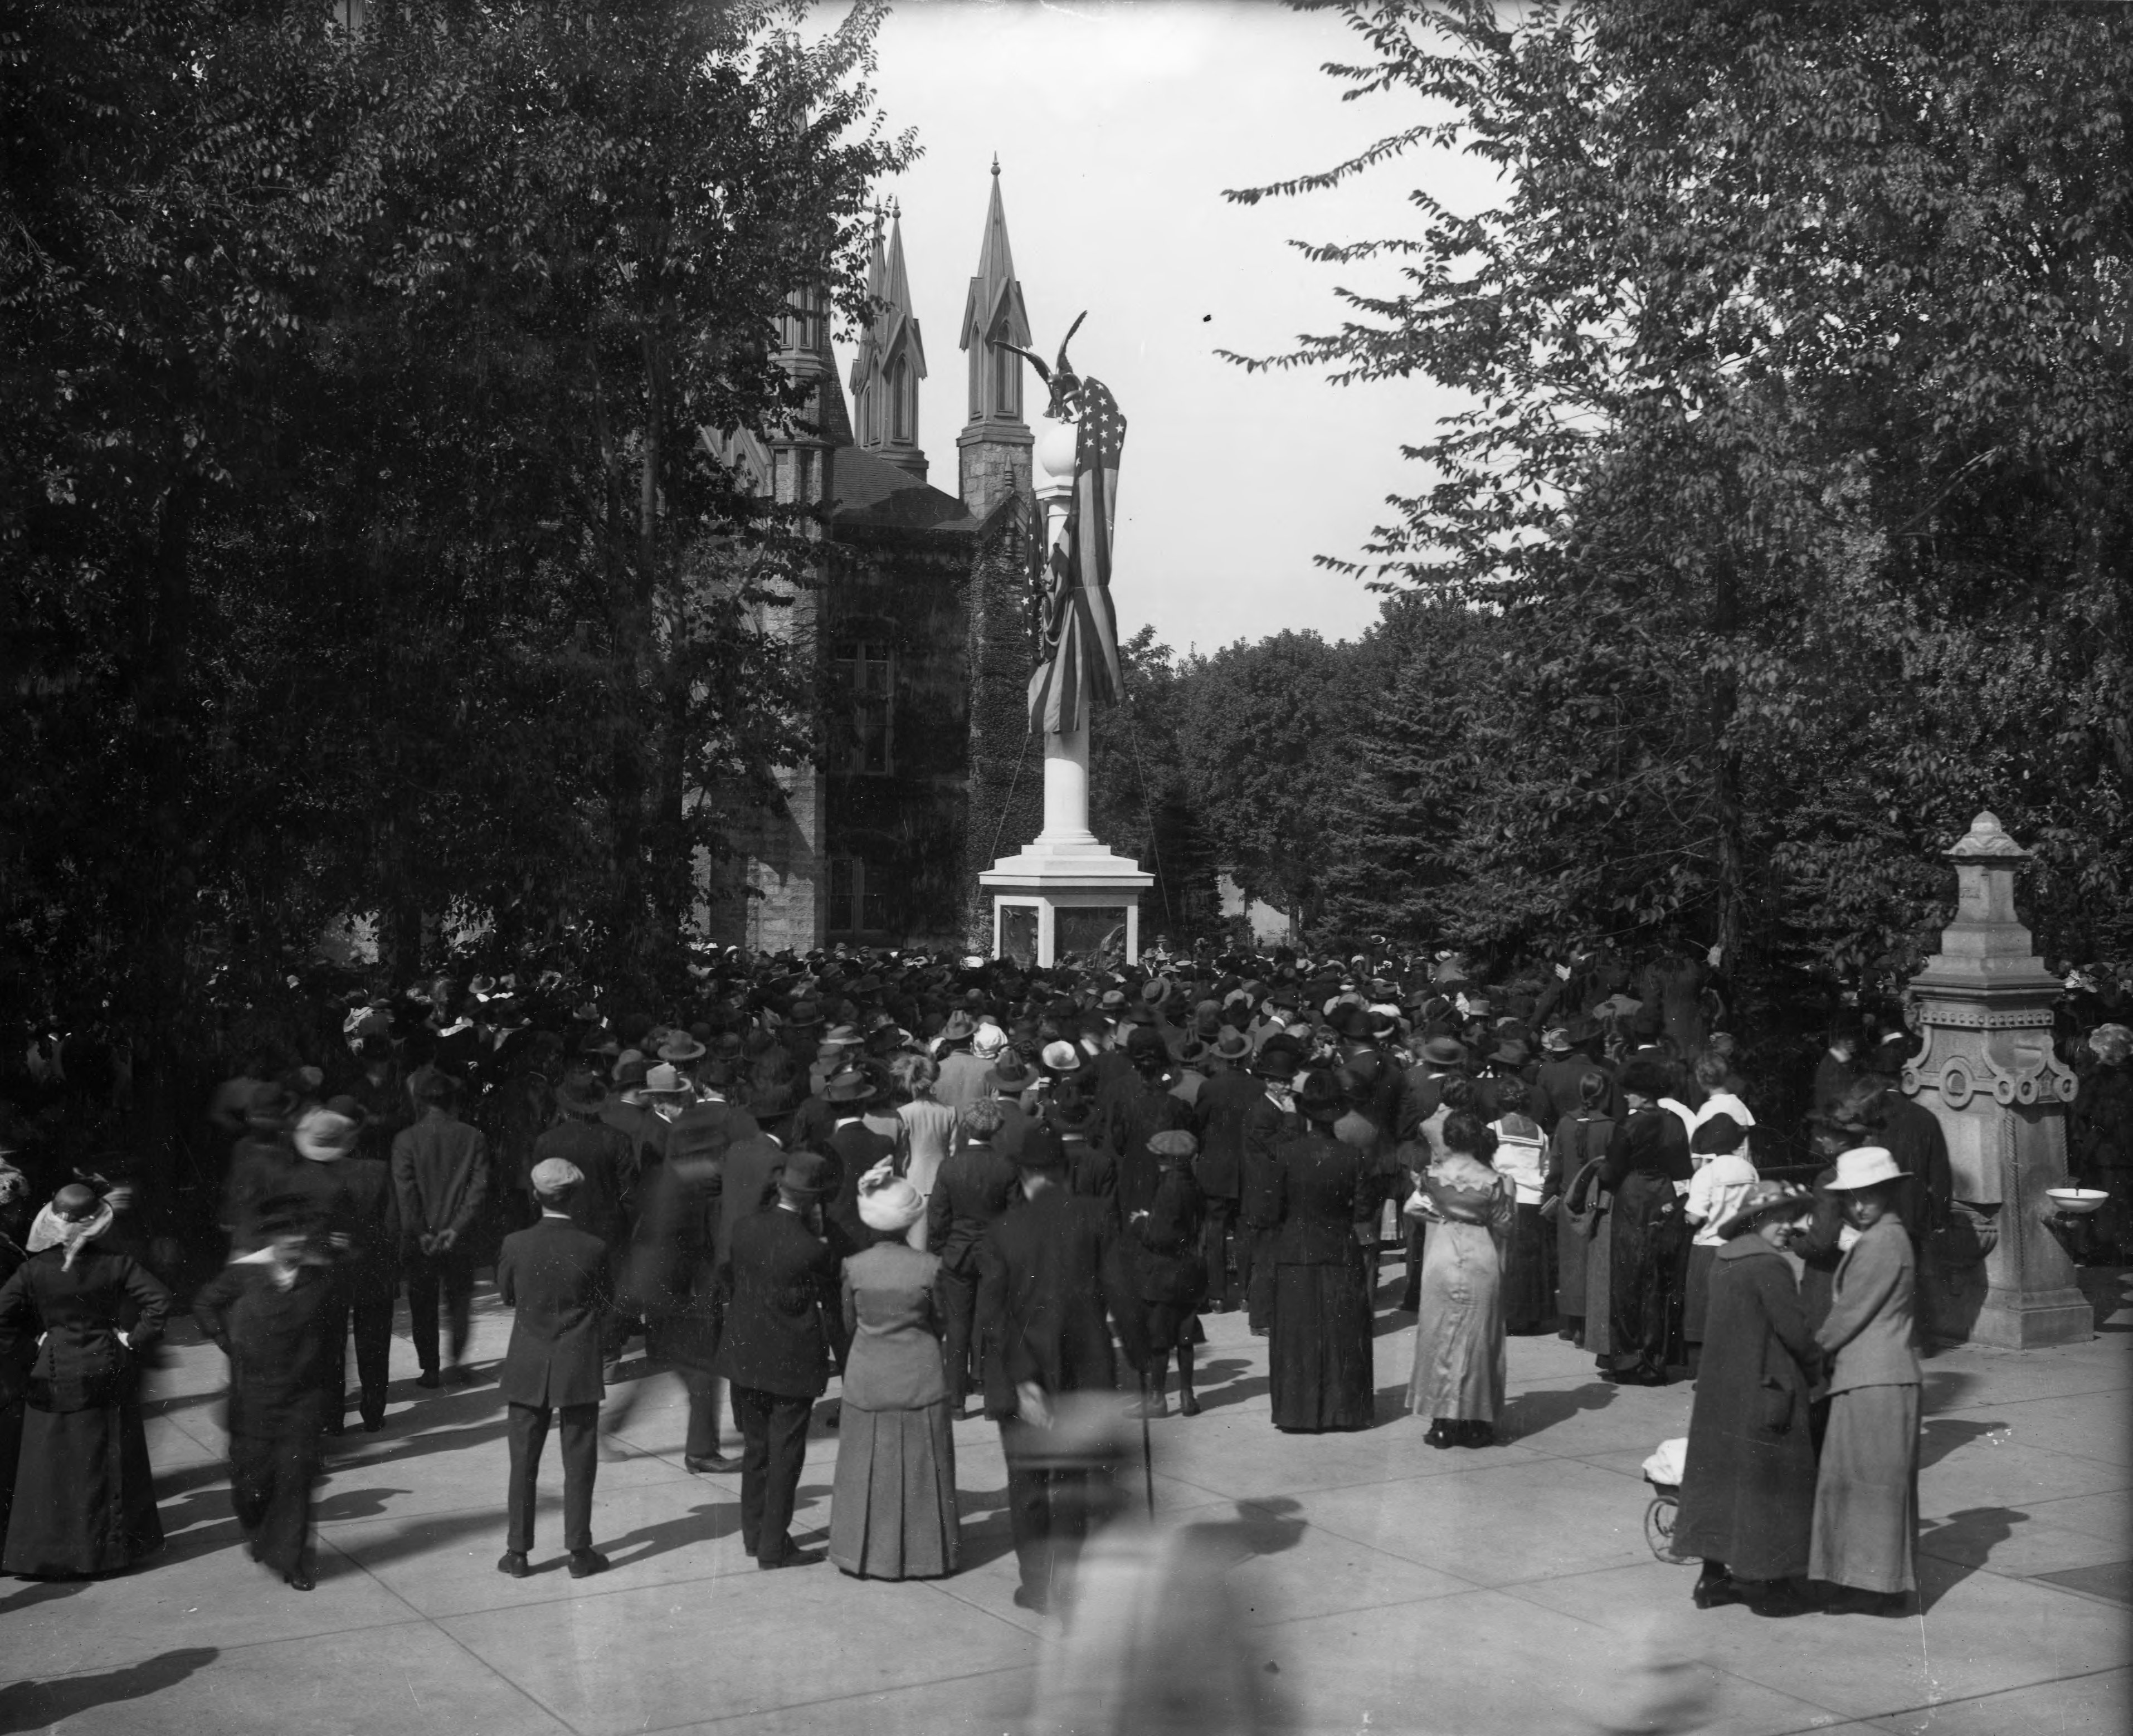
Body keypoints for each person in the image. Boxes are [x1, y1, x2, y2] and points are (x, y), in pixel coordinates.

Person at [976, 1123, 1148, 1614]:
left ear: (1023, 1174)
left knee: (1028, 1486)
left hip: (1022, 1374)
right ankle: (1070, 1589)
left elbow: (992, 1318)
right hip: (1083, 1370)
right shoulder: (1095, 1216)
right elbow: (1123, 1293)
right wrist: (1140, 1356)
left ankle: (1036, 1587)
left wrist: (1025, 1381)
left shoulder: (1001, 1229)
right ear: (1064, 1170)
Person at [0, 1183, 171, 1577]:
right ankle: (104, 1553)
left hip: (53, 1373)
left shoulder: (32, 1269)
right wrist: (134, 1339)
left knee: (51, 1468)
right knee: (102, 1463)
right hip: (106, 1367)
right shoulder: (118, 1264)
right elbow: (159, 1302)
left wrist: (31, 1349)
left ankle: (49, 1555)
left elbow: (3, 1317)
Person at [1673, 1181, 1818, 1618]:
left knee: (1722, 1483)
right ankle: (1772, 1585)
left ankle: (1713, 1579)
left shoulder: (1724, 1261)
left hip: (1723, 1391)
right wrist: (1818, 1368)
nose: (1787, 1228)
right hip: (1768, 1388)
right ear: (1756, 1221)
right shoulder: (1769, 1267)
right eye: (1779, 1219)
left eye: (1790, 1218)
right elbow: (1794, 1332)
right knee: (1771, 1486)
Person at [193, 1202, 340, 1591]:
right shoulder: (244, 1276)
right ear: (272, 1241)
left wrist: (330, 1400)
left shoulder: (320, 1279)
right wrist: (228, 1344)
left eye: (301, 1238)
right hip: (254, 1397)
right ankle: (259, 1535)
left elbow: (334, 1345)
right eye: (287, 1238)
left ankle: (293, 1562)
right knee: (251, 1483)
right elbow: (205, 1303)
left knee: (296, 1480)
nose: (295, 1244)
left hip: (302, 1399)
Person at [828, 1169, 958, 1579]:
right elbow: (942, 1320)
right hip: (920, 1373)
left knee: (863, 1467)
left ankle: (860, 1553)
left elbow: (848, 1323)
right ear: (909, 1221)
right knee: (925, 1467)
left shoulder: (853, 1267)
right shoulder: (931, 1267)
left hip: (868, 1375)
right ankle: (928, 1555)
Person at [1809, 1146, 1922, 1616]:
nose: (1859, 1205)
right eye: (1853, 1197)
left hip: (1875, 1376)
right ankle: (1872, 1582)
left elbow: (1851, 1311)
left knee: (1869, 1485)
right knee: (1869, 1484)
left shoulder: (1882, 1241)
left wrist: (1813, 1348)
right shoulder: (1885, 1236)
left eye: (1869, 1196)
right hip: (1875, 1374)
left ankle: (1875, 1586)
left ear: (1889, 1193)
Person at [717, 1149, 843, 1569]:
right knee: (785, 1453)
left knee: (756, 1449)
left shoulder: (744, 1228)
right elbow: (830, 1295)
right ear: (812, 1200)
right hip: (791, 1359)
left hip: (747, 1353)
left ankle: (755, 1535)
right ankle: (774, 1544)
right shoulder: (813, 1248)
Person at [495, 1157, 611, 1579]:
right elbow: (604, 1300)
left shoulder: (515, 1243)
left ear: (535, 1194)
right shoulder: (593, 1247)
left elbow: (507, 1293)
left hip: (528, 1361)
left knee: (523, 1462)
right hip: (577, 1362)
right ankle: (580, 1551)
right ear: (574, 1196)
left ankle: (518, 1552)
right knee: (579, 1460)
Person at [1267, 1072, 1376, 1434]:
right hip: (1339, 1249)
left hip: (1296, 1250)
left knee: (1298, 1336)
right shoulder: (1352, 1157)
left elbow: (1271, 1209)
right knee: (1342, 1334)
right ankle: (1344, 1411)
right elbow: (1363, 1210)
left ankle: (1297, 1412)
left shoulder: (1285, 1154)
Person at [1406, 1110, 1513, 1447]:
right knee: (1481, 1338)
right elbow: (1506, 1224)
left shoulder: (1432, 1175)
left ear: (1449, 1140)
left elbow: (1413, 1208)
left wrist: (1442, 1216)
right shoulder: (1496, 1181)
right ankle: (1475, 1423)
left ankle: (1441, 1423)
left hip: (1443, 1251)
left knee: (1440, 1335)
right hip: (1481, 1252)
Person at [392, 1066, 489, 1387]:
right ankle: (457, 1361)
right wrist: (457, 1227)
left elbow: (406, 1192)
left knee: (423, 1304)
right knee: (459, 1302)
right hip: (459, 1237)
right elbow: (478, 1188)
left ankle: (430, 1369)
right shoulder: (472, 1136)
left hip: (423, 1239)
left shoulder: (406, 1139)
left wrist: (420, 1231)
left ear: (420, 1102)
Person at [1599, 1058, 1693, 1386]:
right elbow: (1684, 1170)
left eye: (1632, 1092)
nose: (1626, 1097)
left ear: (1643, 1094)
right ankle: (1655, 1359)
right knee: (1658, 1278)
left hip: (1634, 1196)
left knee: (1628, 1275)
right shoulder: (1676, 1123)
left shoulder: (1628, 1124)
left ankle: (1628, 1357)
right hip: (1664, 1195)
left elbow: (1611, 1171)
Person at [925, 1099, 1019, 1417]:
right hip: (996, 1254)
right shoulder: (1006, 1166)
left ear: (967, 1128)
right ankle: (994, 1400)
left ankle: (955, 1400)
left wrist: (940, 1248)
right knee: (994, 1325)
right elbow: (1017, 1215)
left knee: (957, 1325)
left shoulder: (950, 1166)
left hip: (958, 1252)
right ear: (995, 1131)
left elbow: (938, 1213)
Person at [1129, 1129, 1209, 1418]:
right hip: (1191, 1270)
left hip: (1165, 1273)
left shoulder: (1168, 1187)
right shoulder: (1193, 1183)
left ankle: (1157, 1399)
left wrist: (1141, 1224)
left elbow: (1161, 1236)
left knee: (1159, 1339)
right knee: (1185, 1337)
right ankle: (1188, 1396)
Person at [1681, 1113, 1758, 1378]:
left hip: (1708, 1246)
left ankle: (1702, 1372)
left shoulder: (1708, 1173)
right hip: (1740, 1246)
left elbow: (1695, 1216)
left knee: (1701, 1309)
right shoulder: (1749, 1170)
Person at [1191, 1030, 1259, 1311]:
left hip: (1216, 1168)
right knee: (1245, 1231)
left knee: (1215, 1232)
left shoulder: (1210, 1087)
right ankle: (1246, 1293)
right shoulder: (1258, 1087)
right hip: (1249, 1168)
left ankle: (1217, 1295)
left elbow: (1197, 1124)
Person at [1549, 1071, 1614, 1350]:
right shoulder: (1610, 1127)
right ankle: (1587, 1326)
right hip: (1597, 1203)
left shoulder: (1565, 1123)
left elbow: (1555, 1167)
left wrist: (1548, 1198)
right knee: (1593, 1263)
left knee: (1570, 1262)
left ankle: (1569, 1324)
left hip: (1567, 1201)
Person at [1490, 1080, 1553, 1334]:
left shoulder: (1493, 1129)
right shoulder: (1540, 1133)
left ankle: (1505, 1315)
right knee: (1530, 1261)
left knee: (1504, 1260)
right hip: (1533, 1201)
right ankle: (1531, 1316)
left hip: (1504, 1199)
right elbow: (1546, 1168)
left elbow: (1488, 1165)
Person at [892, 1054, 958, 1245]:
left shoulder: (904, 1114)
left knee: (917, 1243)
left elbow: (903, 1156)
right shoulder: (949, 1111)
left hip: (914, 1183)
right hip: (942, 1182)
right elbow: (954, 1151)